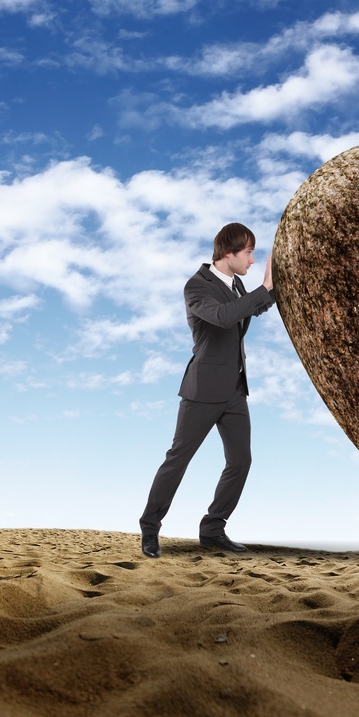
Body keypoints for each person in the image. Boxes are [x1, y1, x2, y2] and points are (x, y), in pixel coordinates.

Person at [139, 223, 276, 557]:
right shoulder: (196, 286)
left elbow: (251, 309)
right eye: (248, 252)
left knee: (241, 460)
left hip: (234, 389)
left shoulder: (239, 285)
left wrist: (271, 290)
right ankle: (150, 530)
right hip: (202, 389)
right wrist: (265, 288)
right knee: (178, 460)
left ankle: (213, 528)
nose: (252, 260)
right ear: (228, 253)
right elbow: (223, 317)